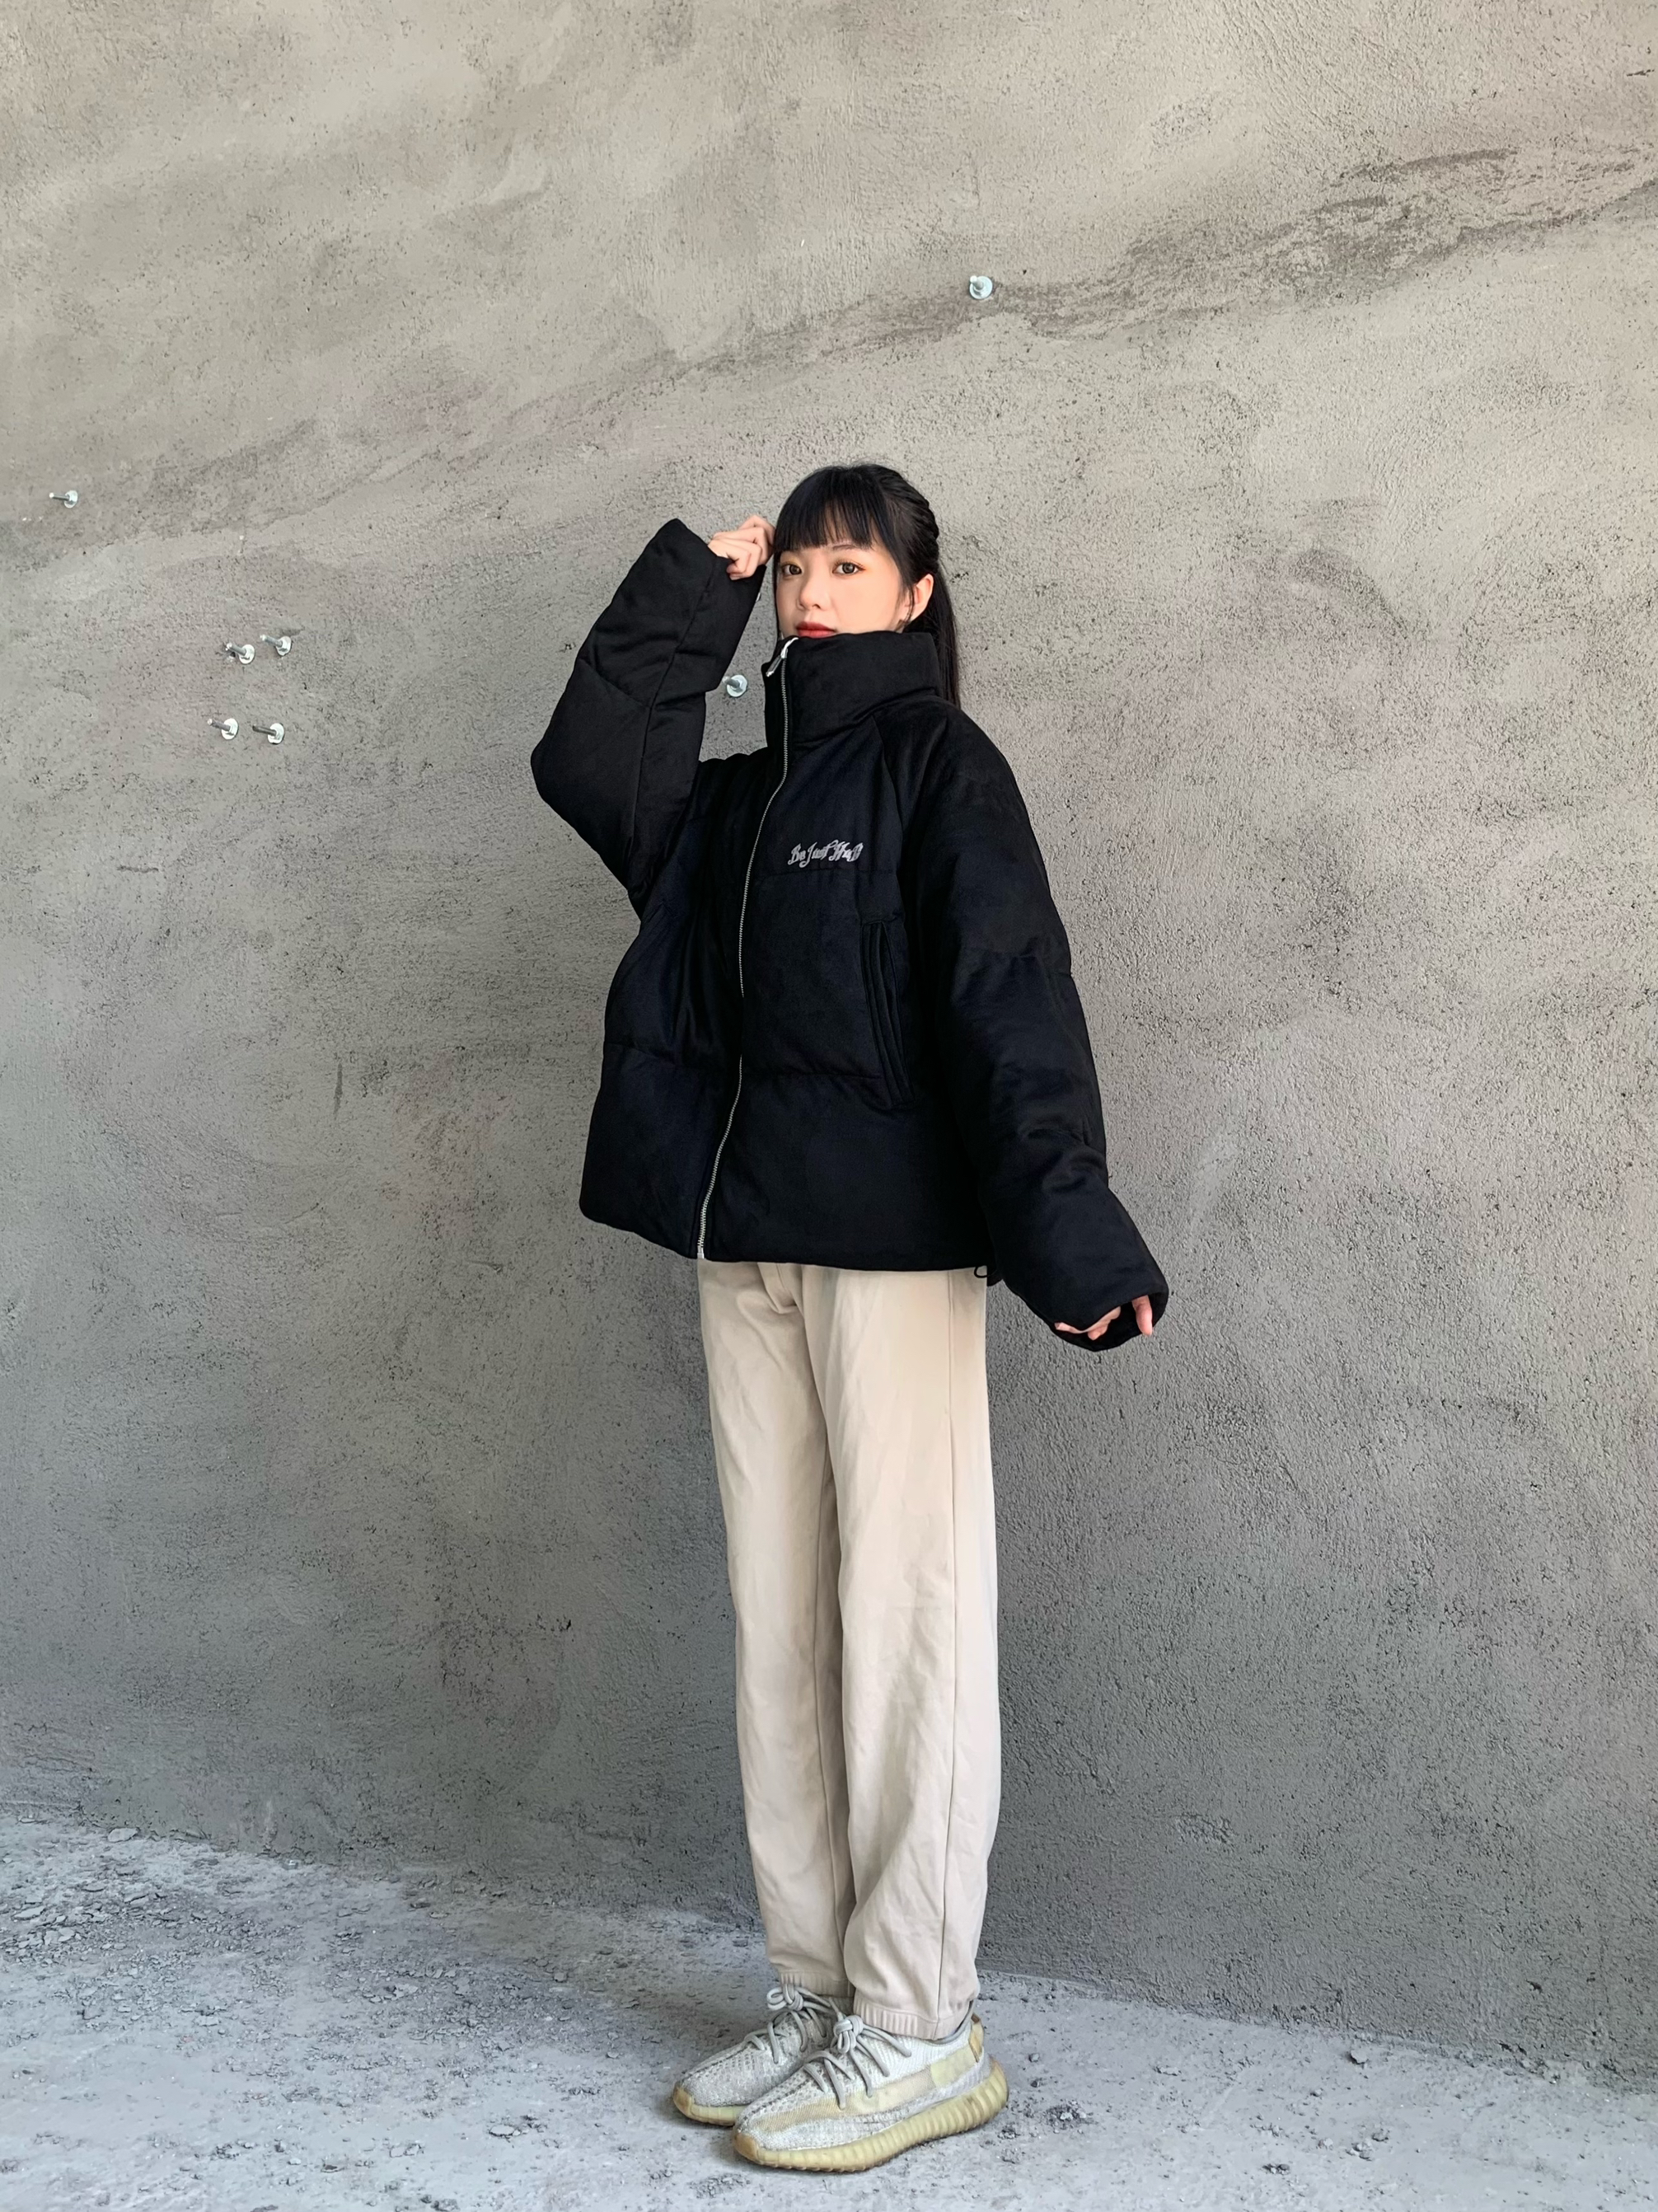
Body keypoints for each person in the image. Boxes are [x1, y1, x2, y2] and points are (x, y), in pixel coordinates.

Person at [532, 462, 1168, 2174]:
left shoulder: (937, 767)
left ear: (916, 594)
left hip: (888, 1257)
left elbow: (1005, 995)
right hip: (745, 1246)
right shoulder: (733, 805)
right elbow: (589, 762)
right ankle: (822, 1993)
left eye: (848, 567)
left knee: (905, 1623)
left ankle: (920, 2023)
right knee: (784, 1629)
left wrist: (1068, 1228)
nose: (814, 593)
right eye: (799, 568)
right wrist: (694, 589)